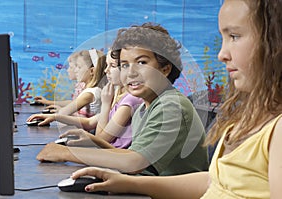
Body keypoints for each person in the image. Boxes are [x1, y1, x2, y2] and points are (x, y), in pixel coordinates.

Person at [69, 0, 282, 198]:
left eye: (234, 36)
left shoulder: (277, 130)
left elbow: (135, 161)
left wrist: (67, 152)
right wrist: (128, 183)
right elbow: (215, 182)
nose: (221, 54)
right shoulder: (247, 118)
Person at [35, 22, 209, 176]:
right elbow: (136, 155)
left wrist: (65, 153)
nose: (131, 73)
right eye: (124, 65)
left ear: (165, 69)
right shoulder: (145, 107)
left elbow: (134, 163)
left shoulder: (170, 105)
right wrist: (94, 141)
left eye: (141, 62)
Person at [33, 51, 143, 149]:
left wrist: (106, 104)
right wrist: (55, 117)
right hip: (107, 154)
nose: (106, 70)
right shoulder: (119, 96)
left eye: (112, 66)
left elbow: (102, 138)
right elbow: (90, 122)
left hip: (114, 157)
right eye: (106, 65)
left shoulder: (130, 100)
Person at [27, 49, 107, 126]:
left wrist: (53, 116)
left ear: (92, 71)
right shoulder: (93, 90)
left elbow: (63, 113)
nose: (75, 71)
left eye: (78, 67)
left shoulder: (90, 93)